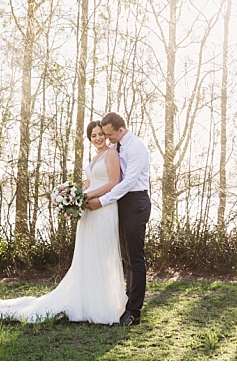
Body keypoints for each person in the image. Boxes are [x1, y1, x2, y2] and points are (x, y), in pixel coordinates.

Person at [0, 121, 126, 324]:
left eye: (100, 134)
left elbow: (113, 183)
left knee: (102, 253)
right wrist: (75, 198)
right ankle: (87, 301)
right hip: (89, 210)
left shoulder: (111, 154)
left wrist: (85, 197)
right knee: (88, 254)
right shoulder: (95, 157)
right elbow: (89, 183)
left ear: (106, 134)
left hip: (103, 209)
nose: (97, 138)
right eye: (93, 136)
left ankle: (103, 304)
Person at [86, 112, 150, 326]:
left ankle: (134, 312)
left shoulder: (136, 147)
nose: (107, 138)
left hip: (136, 202)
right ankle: (127, 303)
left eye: (109, 134)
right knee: (127, 258)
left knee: (135, 258)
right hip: (122, 202)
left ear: (120, 130)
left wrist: (102, 201)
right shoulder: (116, 146)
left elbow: (129, 181)